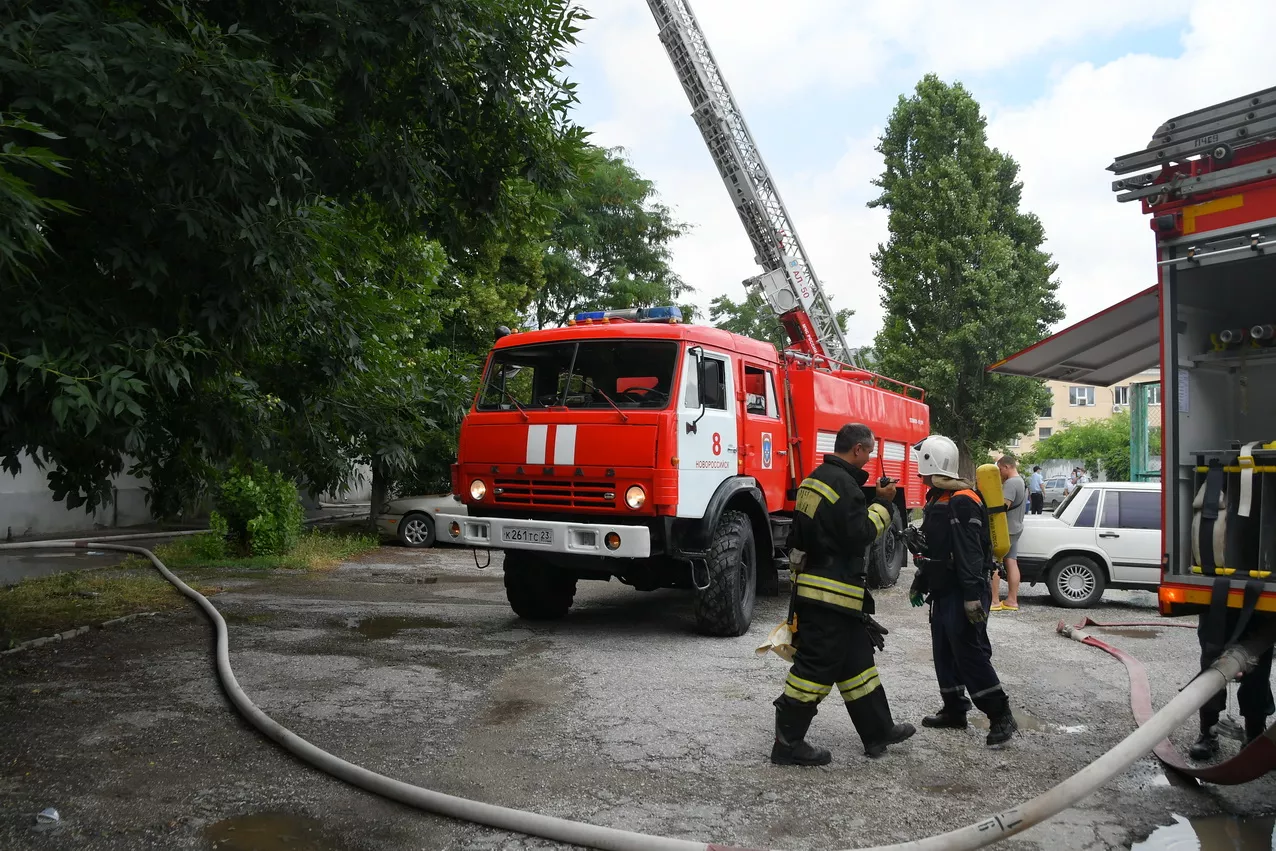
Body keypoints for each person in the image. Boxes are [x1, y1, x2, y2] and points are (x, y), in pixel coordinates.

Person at [771, 423, 916, 765]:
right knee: (815, 668)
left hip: (818, 592)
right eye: (870, 451)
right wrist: (882, 505)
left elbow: (799, 538)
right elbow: (859, 535)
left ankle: (878, 730)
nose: (871, 458)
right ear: (858, 451)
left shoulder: (813, 480)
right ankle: (787, 743)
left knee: (857, 663)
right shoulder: (845, 486)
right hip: (831, 597)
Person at [907, 434, 1017, 747]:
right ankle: (954, 709)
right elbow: (935, 550)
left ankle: (1000, 714)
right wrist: (922, 580)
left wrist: (971, 596)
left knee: (970, 653)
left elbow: (969, 553)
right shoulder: (937, 498)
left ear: (931, 462)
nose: (918, 471)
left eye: (921, 462)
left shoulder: (962, 500)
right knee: (944, 650)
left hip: (963, 590)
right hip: (944, 590)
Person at [1189, 607, 1274, 760]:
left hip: (1263, 607)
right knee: (1212, 668)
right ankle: (1208, 732)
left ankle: (1254, 735)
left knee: (1258, 672)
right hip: (1217, 601)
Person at [991, 455, 1025, 612]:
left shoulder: (1011, 483)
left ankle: (994, 601)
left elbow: (1002, 507)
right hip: (1016, 527)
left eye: (999, 469)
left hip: (1005, 530)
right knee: (1011, 562)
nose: (999, 473)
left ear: (1006, 467)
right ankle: (1012, 600)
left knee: (994, 563)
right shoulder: (1021, 481)